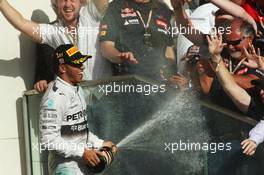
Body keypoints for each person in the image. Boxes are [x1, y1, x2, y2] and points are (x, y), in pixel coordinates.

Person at [39, 44, 117, 175]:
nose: (82, 66)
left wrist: (100, 143)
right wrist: (83, 152)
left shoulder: (77, 89)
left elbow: (79, 130)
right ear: (63, 68)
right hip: (65, 168)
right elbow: (48, 139)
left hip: (82, 167)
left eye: (82, 62)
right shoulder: (55, 97)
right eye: (76, 64)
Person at [0, 0, 111, 83]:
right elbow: (21, 23)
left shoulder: (91, 15)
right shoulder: (54, 31)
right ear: (56, 4)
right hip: (79, 102)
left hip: (103, 96)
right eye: (62, 0)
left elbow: (103, 3)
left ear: (81, 2)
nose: (67, 4)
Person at [206, 32, 264, 157]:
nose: (261, 91)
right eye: (261, 87)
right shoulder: (256, 104)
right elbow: (230, 86)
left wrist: (254, 140)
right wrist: (216, 58)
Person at [99, 0, 176, 81]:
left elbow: (169, 51)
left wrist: (168, 70)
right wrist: (120, 56)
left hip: (158, 84)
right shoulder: (116, 6)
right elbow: (106, 47)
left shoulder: (163, 8)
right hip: (127, 82)